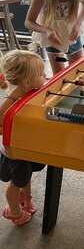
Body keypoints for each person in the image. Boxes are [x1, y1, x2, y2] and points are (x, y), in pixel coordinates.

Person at [0, 50, 46, 225]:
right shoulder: (11, 99)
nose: (45, 76)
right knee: (15, 183)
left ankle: (25, 198)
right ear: (26, 81)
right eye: (41, 74)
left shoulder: (27, 90)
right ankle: (14, 212)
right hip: (14, 154)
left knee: (24, 178)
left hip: (24, 150)